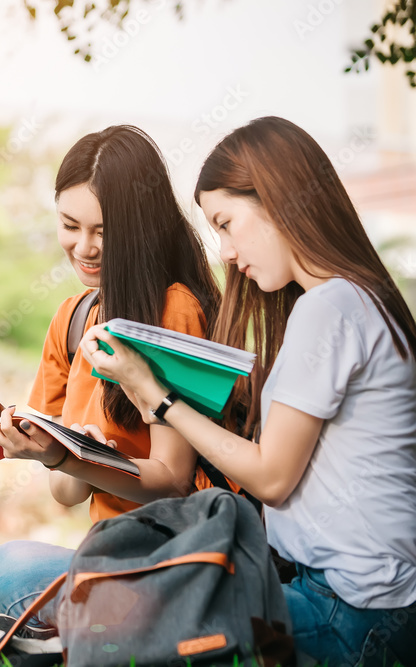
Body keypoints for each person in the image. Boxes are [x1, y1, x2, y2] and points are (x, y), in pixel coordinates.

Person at [81, 116, 416, 665]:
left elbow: (272, 477)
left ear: (278, 200)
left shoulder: (330, 308)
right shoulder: (359, 299)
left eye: (227, 223)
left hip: (352, 613)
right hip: (352, 599)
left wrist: (158, 395)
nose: (226, 252)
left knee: (119, 625)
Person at [0, 126, 219, 662]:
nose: (85, 247)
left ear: (140, 230)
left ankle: (26, 640)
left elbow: (174, 483)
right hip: (98, 557)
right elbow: (66, 496)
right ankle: (39, 643)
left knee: (10, 570)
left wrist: (99, 459)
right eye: (70, 226)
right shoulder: (71, 320)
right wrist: (58, 454)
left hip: (162, 564)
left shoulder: (175, 310)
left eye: (103, 231)